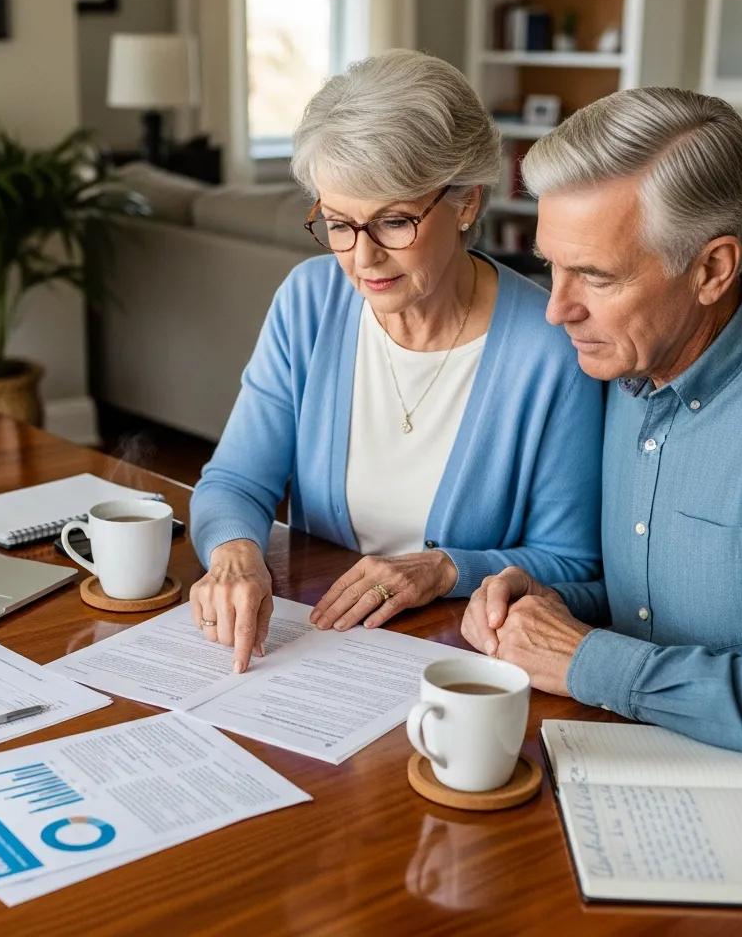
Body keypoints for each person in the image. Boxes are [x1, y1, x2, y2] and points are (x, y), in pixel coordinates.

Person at [188, 49, 603, 673]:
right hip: (316, 646)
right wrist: (235, 553)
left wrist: (446, 568)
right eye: (338, 223)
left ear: (465, 202)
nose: (362, 258)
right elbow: (236, 482)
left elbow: (574, 563)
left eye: (393, 222)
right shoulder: (310, 301)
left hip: (456, 666)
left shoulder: (549, 349)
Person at [460, 86, 742, 751]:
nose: (557, 310)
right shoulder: (625, 371)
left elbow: (613, 657)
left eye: (597, 277)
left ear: (713, 269)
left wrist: (588, 661)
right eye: (552, 267)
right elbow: (650, 612)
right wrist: (549, 603)